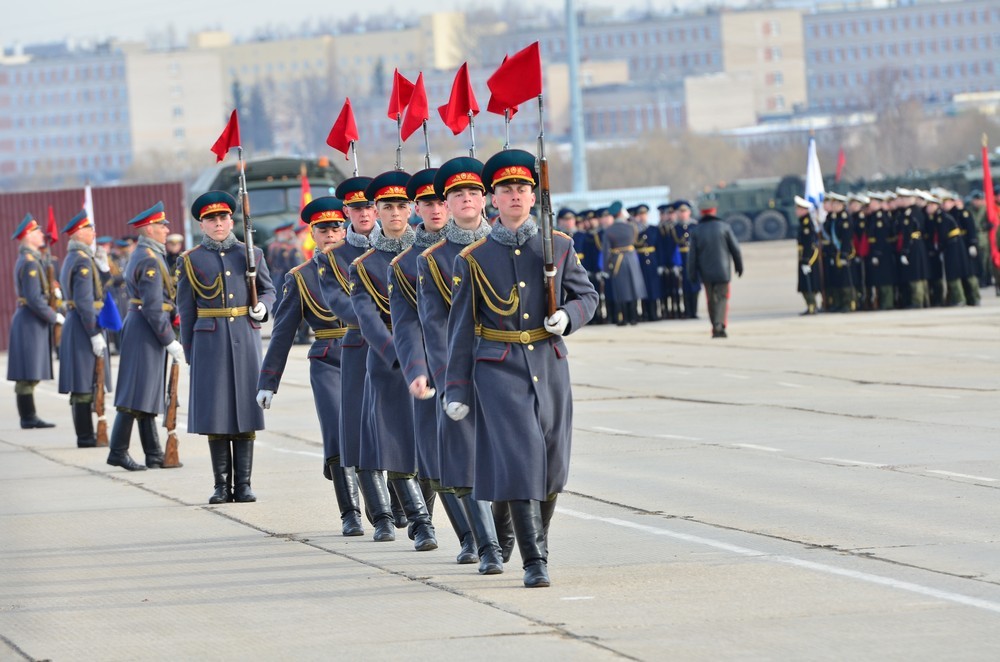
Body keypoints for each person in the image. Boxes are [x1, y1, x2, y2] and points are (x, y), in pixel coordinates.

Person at [444, 149, 598, 588]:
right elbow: (460, 329)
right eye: (507, 190)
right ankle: (536, 560)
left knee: (551, 466)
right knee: (520, 457)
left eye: (522, 189)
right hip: (498, 368)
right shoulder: (472, 257)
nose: (515, 196)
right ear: (494, 199)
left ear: (534, 197)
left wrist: (568, 316)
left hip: (548, 365)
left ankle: (516, 532)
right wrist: (456, 389)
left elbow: (587, 296)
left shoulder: (560, 245)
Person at [417, 158, 505, 574]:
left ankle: (505, 537)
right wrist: (447, 378)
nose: (466, 199)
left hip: (506, 366)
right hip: (458, 370)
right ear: (448, 204)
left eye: (473, 192)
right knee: (466, 458)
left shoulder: (507, 245)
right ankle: (485, 545)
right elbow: (433, 325)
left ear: (485, 199)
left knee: (511, 456)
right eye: (457, 195)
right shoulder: (433, 259)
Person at [256, 197, 364, 536]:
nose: (330, 233)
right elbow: (283, 333)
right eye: (323, 229)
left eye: (336, 227)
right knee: (336, 433)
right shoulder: (300, 276)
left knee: (378, 431)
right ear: (312, 234)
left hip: (368, 355)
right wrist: (268, 381)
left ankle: (388, 508)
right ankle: (350, 512)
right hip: (328, 360)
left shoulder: (368, 264)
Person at [388, 167, 478, 564]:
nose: (438, 208)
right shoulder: (406, 264)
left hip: (487, 361)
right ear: (416, 209)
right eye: (428, 202)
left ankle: (496, 533)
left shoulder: (485, 246)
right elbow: (408, 326)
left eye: (443, 200)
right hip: (435, 366)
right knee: (438, 457)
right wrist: (417, 369)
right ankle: (470, 537)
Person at [349, 170, 437, 553]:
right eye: (387, 206)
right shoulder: (363, 265)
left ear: (411, 208)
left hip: (431, 357)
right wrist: (400, 355)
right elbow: (368, 319)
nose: (396, 212)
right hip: (388, 362)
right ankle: (421, 523)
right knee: (395, 440)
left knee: (429, 444)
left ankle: (426, 513)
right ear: (377, 211)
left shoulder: (429, 254)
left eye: (402, 205)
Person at [176, 191, 275, 504]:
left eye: (223, 218)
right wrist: (189, 351)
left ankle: (243, 485)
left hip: (245, 338)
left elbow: (268, 290)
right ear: (202, 225)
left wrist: (264, 308)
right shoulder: (190, 260)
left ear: (231, 220)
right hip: (209, 343)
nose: (218, 224)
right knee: (217, 415)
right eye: (211, 220)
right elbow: (186, 308)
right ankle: (221, 485)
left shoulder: (251, 254)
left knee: (245, 412)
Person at [321, 175, 399, 542]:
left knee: (403, 430)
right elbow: (343, 306)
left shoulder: (401, 246)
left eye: (370, 206)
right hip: (358, 350)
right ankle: (379, 514)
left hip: (404, 348)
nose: (365, 213)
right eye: (356, 208)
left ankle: (407, 510)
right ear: (346, 212)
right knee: (363, 434)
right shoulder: (333, 258)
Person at [106, 202, 186, 471]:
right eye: (162, 226)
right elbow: (152, 307)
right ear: (150, 228)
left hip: (144, 326)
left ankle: (153, 453)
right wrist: (169, 339)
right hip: (146, 328)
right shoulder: (149, 258)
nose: (166, 230)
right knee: (134, 394)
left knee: (147, 391)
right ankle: (118, 450)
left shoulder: (146, 253)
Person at [58, 209, 113, 447]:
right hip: (84, 324)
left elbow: (98, 289)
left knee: (85, 382)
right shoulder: (80, 259)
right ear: (79, 233)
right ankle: (85, 436)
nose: (94, 233)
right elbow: (84, 301)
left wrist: (103, 268)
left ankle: (87, 434)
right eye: (90, 229)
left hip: (80, 322)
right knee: (82, 385)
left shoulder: (79, 257)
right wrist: (93, 333)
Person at [8, 214, 63, 429]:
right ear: (28, 235)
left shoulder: (32, 259)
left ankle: (29, 416)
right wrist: (53, 316)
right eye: (38, 231)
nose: (42, 234)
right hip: (29, 321)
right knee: (26, 372)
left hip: (31, 321)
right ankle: (28, 416)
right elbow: (33, 298)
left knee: (30, 372)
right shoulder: (30, 262)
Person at [688, 201, 743, 338]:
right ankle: (719, 325)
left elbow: (692, 256)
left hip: (705, 272)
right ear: (714, 211)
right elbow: (735, 250)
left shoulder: (696, 230)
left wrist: (692, 273)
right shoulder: (724, 227)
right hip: (723, 271)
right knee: (722, 298)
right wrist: (739, 266)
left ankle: (715, 325)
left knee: (711, 300)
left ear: (702, 212)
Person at [601, 201, 646, 325]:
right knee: (633, 288)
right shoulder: (631, 226)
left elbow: (606, 252)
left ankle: (624, 318)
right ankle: (634, 317)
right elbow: (642, 228)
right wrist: (630, 218)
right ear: (622, 213)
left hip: (617, 262)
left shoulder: (609, 231)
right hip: (631, 259)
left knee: (621, 290)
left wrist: (606, 268)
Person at [793, 197, 821, 315]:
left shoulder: (807, 224)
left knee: (809, 283)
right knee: (804, 283)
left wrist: (807, 260)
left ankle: (812, 305)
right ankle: (810, 305)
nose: (796, 211)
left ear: (804, 210)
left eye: (798, 209)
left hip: (808, 258)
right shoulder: (802, 222)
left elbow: (809, 244)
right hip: (803, 257)